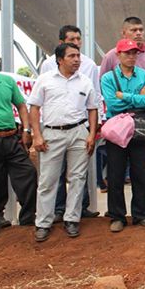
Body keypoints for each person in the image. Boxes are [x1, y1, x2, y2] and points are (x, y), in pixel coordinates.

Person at [29, 43, 98, 242]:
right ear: (60, 59)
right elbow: (34, 108)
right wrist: (37, 135)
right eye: (72, 56)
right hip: (52, 133)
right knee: (48, 180)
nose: (77, 59)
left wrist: (91, 134)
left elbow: (93, 109)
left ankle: (72, 219)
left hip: (78, 132)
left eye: (78, 56)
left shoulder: (85, 81)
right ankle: (43, 222)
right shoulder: (44, 80)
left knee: (77, 178)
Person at [40, 25, 101, 222]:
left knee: (79, 174)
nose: (76, 43)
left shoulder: (89, 65)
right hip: (54, 128)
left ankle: (78, 211)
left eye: (78, 39)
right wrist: (37, 132)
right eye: (72, 39)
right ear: (61, 44)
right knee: (52, 175)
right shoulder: (48, 67)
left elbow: (94, 98)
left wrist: (93, 129)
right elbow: (39, 102)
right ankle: (56, 211)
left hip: (80, 126)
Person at [101, 39, 145, 232]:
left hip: (139, 127)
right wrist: (137, 98)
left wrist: (124, 96)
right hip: (117, 129)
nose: (131, 57)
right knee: (116, 174)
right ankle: (117, 216)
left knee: (141, 172)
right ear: (118, 55)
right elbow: (112, 104)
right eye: (127, 53)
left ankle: (141, 214)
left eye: (134, 53)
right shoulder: (108, 78)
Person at [0, 50, 37, 240]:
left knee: (27, 173)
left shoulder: (6, 81)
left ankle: (28, 217)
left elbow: (21, 105)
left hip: (11, 136)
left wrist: (27, 130)